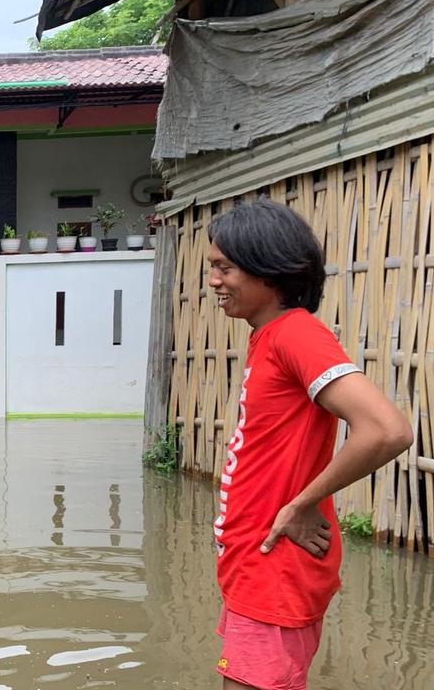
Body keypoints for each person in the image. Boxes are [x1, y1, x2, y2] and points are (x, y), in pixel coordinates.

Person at [206, 199, 411, 690]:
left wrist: (301, 504)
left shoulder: (296, 334)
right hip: (254, 565)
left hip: (274, 570)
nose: (213, 281)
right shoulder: (269, 336)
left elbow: (386, 430)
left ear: (268, 269)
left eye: (224, 268)